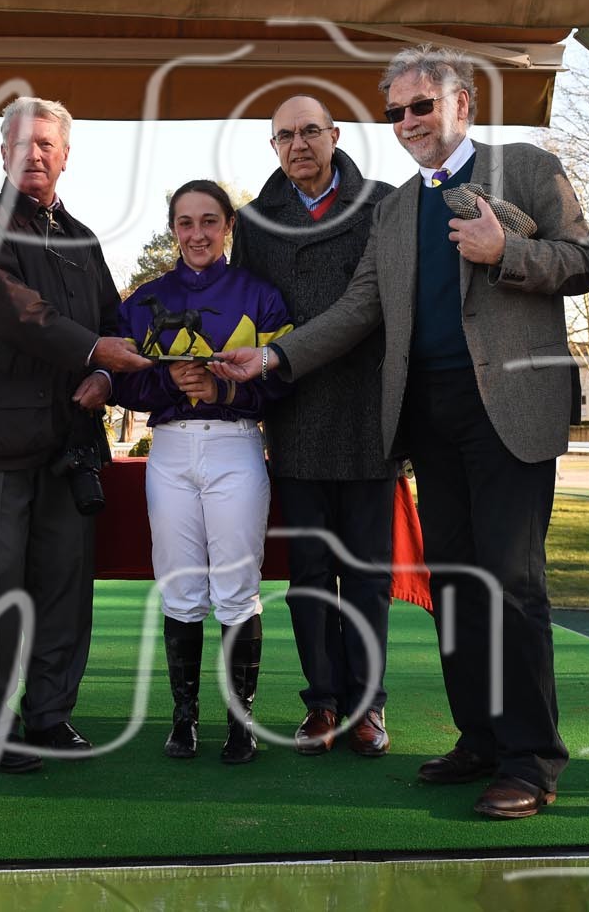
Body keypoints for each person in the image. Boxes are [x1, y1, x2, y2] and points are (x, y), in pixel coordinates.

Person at [215, 46, 589, 819]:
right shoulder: (393, 210)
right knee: (453, 582)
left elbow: (584, 261)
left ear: (461, 103)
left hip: (509, 413)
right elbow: (359, 308)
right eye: (395, 112)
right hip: (427, 418)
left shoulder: (526, 167)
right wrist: (277, 356)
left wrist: (507, 251)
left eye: (421, 105)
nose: (408, 121)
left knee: (511, 584)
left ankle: (531, 758)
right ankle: (480, 738)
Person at [0, 96, 151, 772]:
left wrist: (108, 375)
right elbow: (16, 311)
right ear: (2, 153)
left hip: (72, 445)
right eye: (21, 143)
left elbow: (114, 322)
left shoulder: (82, 239)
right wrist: (92, 350)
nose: (33, 154)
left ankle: (51, 715)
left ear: (65, 155)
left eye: (46, 144)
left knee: (65, 589)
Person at [228, 95, 396, 760]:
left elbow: (386, 304)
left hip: (368, 412)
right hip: (295, 414)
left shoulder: (382, 204)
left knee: (368, 574)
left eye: (310, 132)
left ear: (335, 136)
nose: (298, 144)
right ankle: (322, 701)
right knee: (309, 574)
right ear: (273, 147)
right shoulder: (254, 222)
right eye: (285, 136)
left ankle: (368, 705)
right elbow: (245, 312)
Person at [111, 180, 292, 764]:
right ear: (173, 230)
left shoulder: (261, 296)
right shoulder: (145, 299)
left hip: (236, 447)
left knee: (237, 590)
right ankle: (184, 718)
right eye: (185, 223)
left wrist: (223, 391)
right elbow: (121, 382)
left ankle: (242, 722)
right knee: (181, 586)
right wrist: (169, 381)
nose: (197, 234)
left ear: (228, 227)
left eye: (209, 221)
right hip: (169, 451)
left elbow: (284, 384)